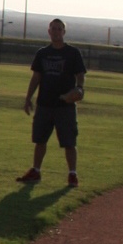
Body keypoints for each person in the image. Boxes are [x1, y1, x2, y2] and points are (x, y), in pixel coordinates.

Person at [17, 18, 86, 187]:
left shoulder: (72, 53)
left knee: (69, 142)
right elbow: (36, 78)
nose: (56, 31)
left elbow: (80, 75)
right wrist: (28, 98)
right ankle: (36, 171)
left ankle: (72, 174)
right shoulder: (42, 53)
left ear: (64, 32)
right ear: (49, 31)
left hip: (65, 106)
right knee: (40, 140)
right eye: (53, 28)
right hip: (44, 104)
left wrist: (79, 89)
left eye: (59, 29)